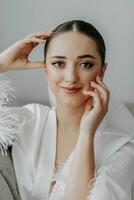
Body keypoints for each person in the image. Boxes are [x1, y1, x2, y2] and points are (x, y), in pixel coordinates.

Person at [0, 20, 134, 200]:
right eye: (58, 63)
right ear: (46, 69)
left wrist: (87, 133)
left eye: (85, 64)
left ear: (102, 71)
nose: (71, 77)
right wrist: (2, 63)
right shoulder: (27, 120)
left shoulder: (121, 148)